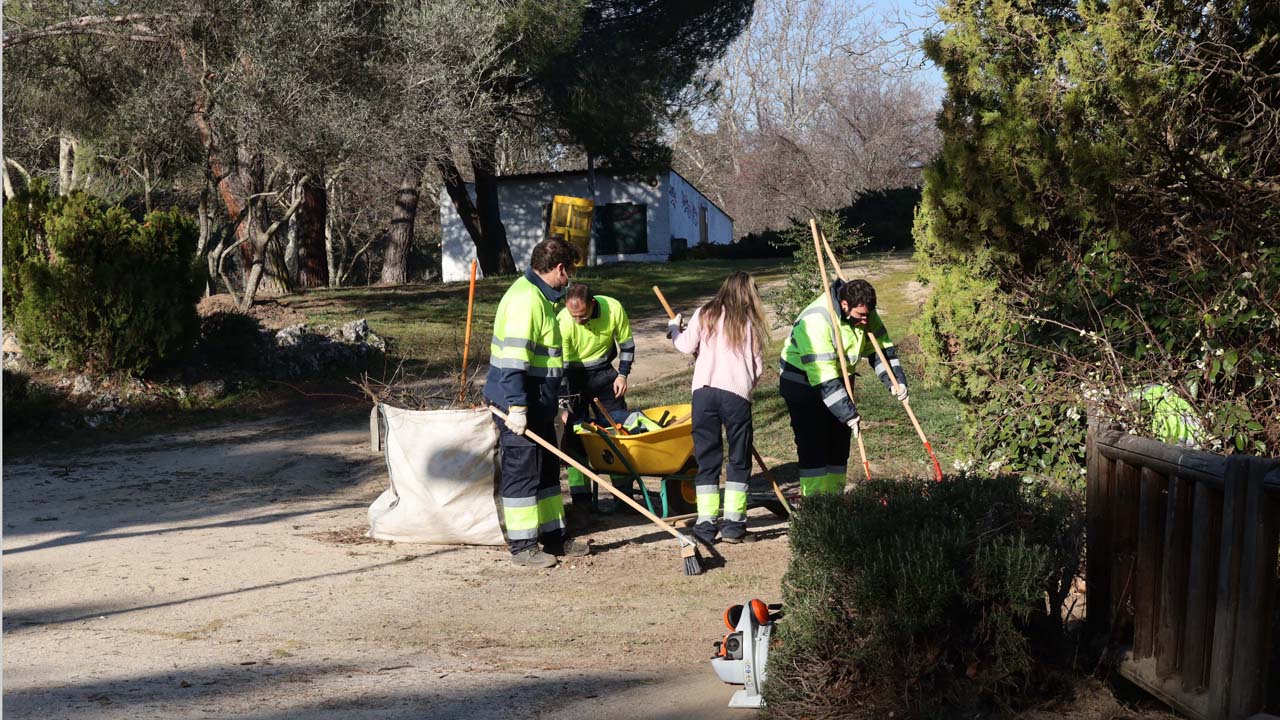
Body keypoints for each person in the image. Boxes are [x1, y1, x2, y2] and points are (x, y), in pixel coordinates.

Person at [485, 238, 591, 568]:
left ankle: (554, 536)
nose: (571, 278)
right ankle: (523, 546)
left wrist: (551, 401)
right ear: (559, 268)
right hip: (518, 403)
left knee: (546, 472)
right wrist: (517, 407)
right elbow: (514, 362)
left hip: (538, 402)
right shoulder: (526, 301)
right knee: (522, 472)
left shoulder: (542, 299)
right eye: (570, 271)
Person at [779, 278, 908, 496]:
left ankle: (835, 499)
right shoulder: (817, 320)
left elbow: (880, 349)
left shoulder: (864, 312)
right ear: (845, 304)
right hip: (804, 382)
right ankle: (816, 503)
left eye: (868, 315)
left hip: (839, 377)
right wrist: (848, 414)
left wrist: (896, 381)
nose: (865, 321)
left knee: (839, 443)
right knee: (814, 442)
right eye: (860, 316)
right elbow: (824, 378)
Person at [668, 271, 768, 545]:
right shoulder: (749, 321)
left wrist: (674, 329)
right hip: (736, 396)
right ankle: (734, 525)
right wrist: (746, 384)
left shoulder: (705, 313)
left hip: (704, 394)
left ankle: (706, 525)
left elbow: (684, 345)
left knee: (707, 459)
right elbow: (757, 365)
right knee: (738, 458)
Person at [556, 283, 636, 529]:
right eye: (574, 316)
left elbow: (627, 345)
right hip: (574, 377)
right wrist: (564, 405)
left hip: (604, 374)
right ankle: (582, 502)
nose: (578, 321)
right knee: (576, 438)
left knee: (615, 433)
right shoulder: (564, 321)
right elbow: (562, 369)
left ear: (592, 304)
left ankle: (624, 496)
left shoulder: (613, 308)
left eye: (582, 316)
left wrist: (622, 375)